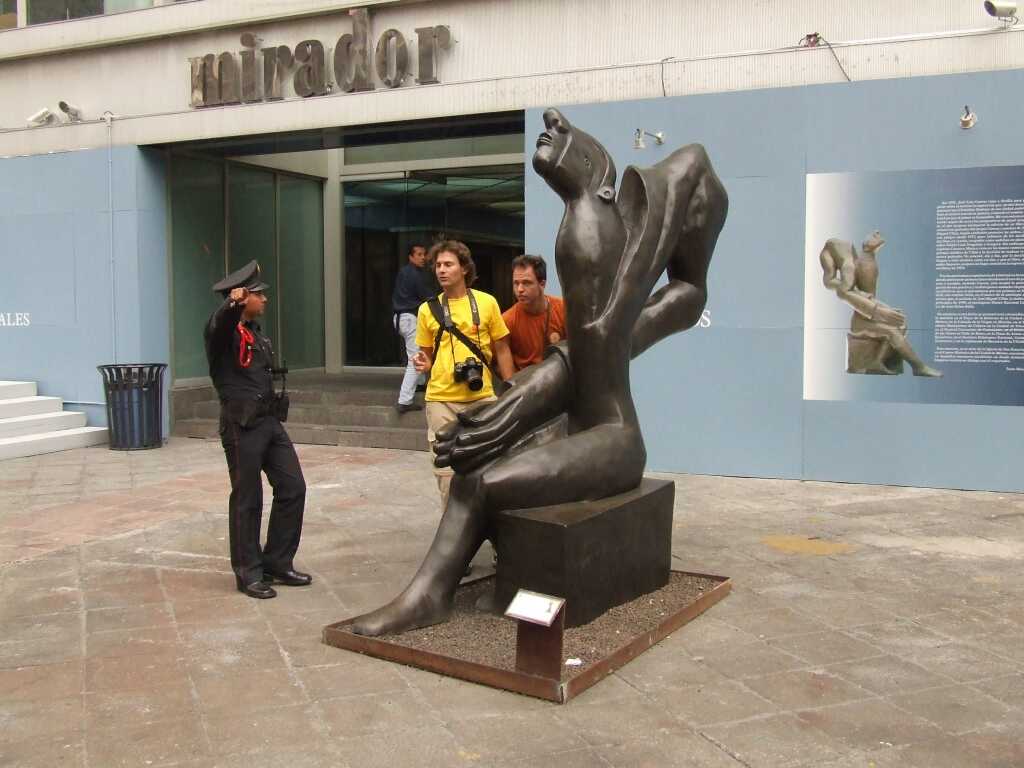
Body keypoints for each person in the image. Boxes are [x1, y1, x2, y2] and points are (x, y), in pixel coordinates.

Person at [351, 108, 728, 636]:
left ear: (598, 174)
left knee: (483, 484)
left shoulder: (602, 243)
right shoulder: (590, 245)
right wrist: (510, 410)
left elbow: (693, 165)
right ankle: (456, 588)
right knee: (473, 473)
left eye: (569, 133)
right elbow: (587, 359)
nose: (552, 125)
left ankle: (432, 594)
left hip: (614, 438)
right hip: (581, 420)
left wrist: (514, 407)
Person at [204, 261, 311, 599]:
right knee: (248, 498)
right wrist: (230, 304)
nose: (264, 299)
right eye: (258, 294)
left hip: (268, 422)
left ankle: (277, 562)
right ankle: (248, 572)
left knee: (293, 487)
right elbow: (219, 325)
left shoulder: (256, 332)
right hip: (242, 425)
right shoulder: (222, 332)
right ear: (242, 297)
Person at [411, 240, 515, 508]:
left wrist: (511, 388)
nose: (441, 270)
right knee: (447, 476)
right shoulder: (427, 309)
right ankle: (454, 529)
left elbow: (502, 349)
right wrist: (423, 363)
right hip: (441, 400)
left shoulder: (487, 303)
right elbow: (427, 355)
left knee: (491, 470)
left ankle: (491, 530)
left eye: (448, 264)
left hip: (483, 398)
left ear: (465, 268)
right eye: (438, 265)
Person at [820, 231, 942, 377]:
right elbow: (841, 292)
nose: (876, 234)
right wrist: (879, 311)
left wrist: (885, 309)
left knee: (901, 325)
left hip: (864, 313)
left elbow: (864, 295)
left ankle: (877, 361)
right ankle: (918, 367)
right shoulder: (849, 267)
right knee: (891, 331)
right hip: (859, 323)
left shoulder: (859, 263)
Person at [502, 254, 567, 371]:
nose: (520, 289)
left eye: (526, 283)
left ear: (542, 284)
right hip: (526, 380)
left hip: (560, 376)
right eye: (516, 283)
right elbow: (498, 362)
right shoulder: (507, 320)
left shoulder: (563, 309)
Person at [392, 244, 436, 413]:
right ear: (411, 257)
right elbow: (427, 296)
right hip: (410, 318)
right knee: (415, 359)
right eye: (419, 254)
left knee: (418, 352)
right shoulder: (415, 275)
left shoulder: (404, 272)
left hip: (400, 318)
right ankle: (404, 400)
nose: (423, 257)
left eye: (424, 254)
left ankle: (420, 383)